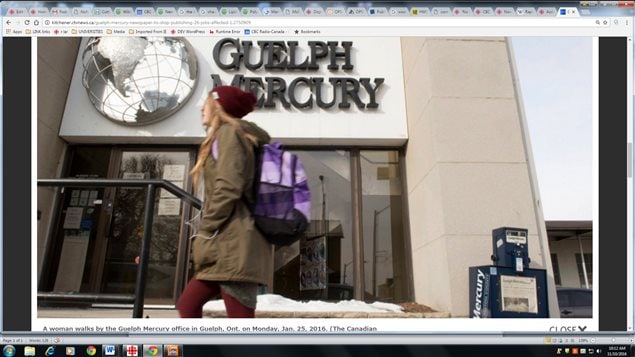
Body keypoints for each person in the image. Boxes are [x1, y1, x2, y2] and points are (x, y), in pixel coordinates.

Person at [177, 85, 272, 318]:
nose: (201, 108)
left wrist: (206, 226)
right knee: (188, 306)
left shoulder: (229, 133)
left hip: (233, 241)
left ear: (218, 105)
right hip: (229, 242)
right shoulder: (231, 135)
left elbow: (229, 185)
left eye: (206, 102)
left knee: (238, 321)